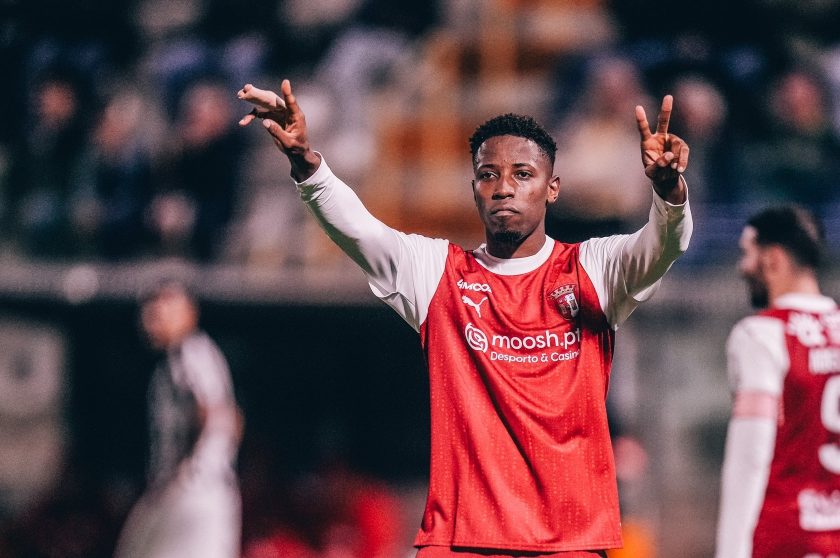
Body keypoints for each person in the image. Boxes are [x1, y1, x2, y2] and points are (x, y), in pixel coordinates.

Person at [237, 79, 692, 557]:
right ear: (474, 188)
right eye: (488, 175)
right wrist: (305, 161)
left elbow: (663, 246)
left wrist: (668, 190)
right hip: (460, 542)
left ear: (552, 188)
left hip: (568, 543)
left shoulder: (594, 269)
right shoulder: (438, 273)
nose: (504, 188)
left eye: (523, 174)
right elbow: (358, 231)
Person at [715, 206, 840, 557]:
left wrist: (731, 551)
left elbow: (750, 455)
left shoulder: (761, 334)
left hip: (785, 537)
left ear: (772, 259)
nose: (742, 267)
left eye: (747, 253)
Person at [114, 280, 243, 558]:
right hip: (178, 491)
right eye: (151, 306)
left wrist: (191, 474)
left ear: (189, 312)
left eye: (166, 305)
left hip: (195, 493)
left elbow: (222, 418)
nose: (153, 315)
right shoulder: (176, 359)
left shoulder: (193, 353)